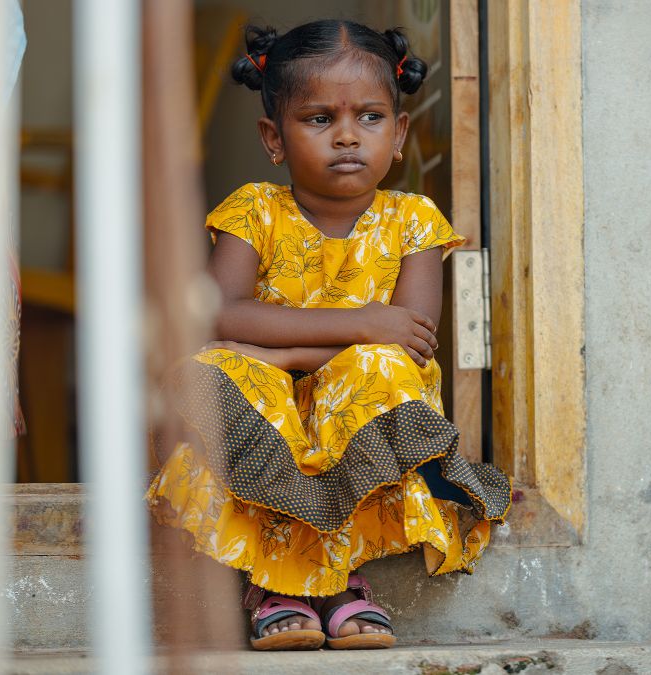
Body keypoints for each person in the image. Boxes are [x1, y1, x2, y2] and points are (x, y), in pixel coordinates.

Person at [144, 19, 511, 651]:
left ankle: (341, 579)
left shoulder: (413, 221)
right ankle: (277, 583)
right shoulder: (252, 211)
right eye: (318, 119)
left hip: (356, 404)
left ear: (398, 136)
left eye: (370, 118)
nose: (346, 136)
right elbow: (216, 315)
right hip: (274, 404)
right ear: (274, 137)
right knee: (212, 370)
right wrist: (358, 324)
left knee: (380, 374)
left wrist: (279, 348)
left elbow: (407, 345)